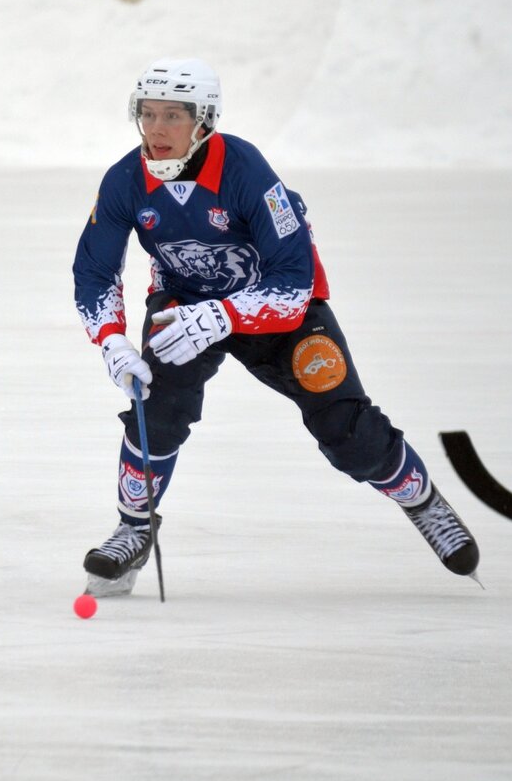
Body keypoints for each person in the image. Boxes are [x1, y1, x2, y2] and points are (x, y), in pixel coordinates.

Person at [73, 58, 479, 597]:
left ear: (204, 121)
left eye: (173, 115)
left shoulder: (245, 170)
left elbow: (292, 281)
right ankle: (133, 527)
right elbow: (95, 271)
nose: (156, 130)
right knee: (157, 407)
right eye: (146, 114)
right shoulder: (125, 178)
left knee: (346, 431)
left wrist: (223, 315)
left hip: (277, 310)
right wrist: (113, 341)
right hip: (183, 300)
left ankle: (422, 500)